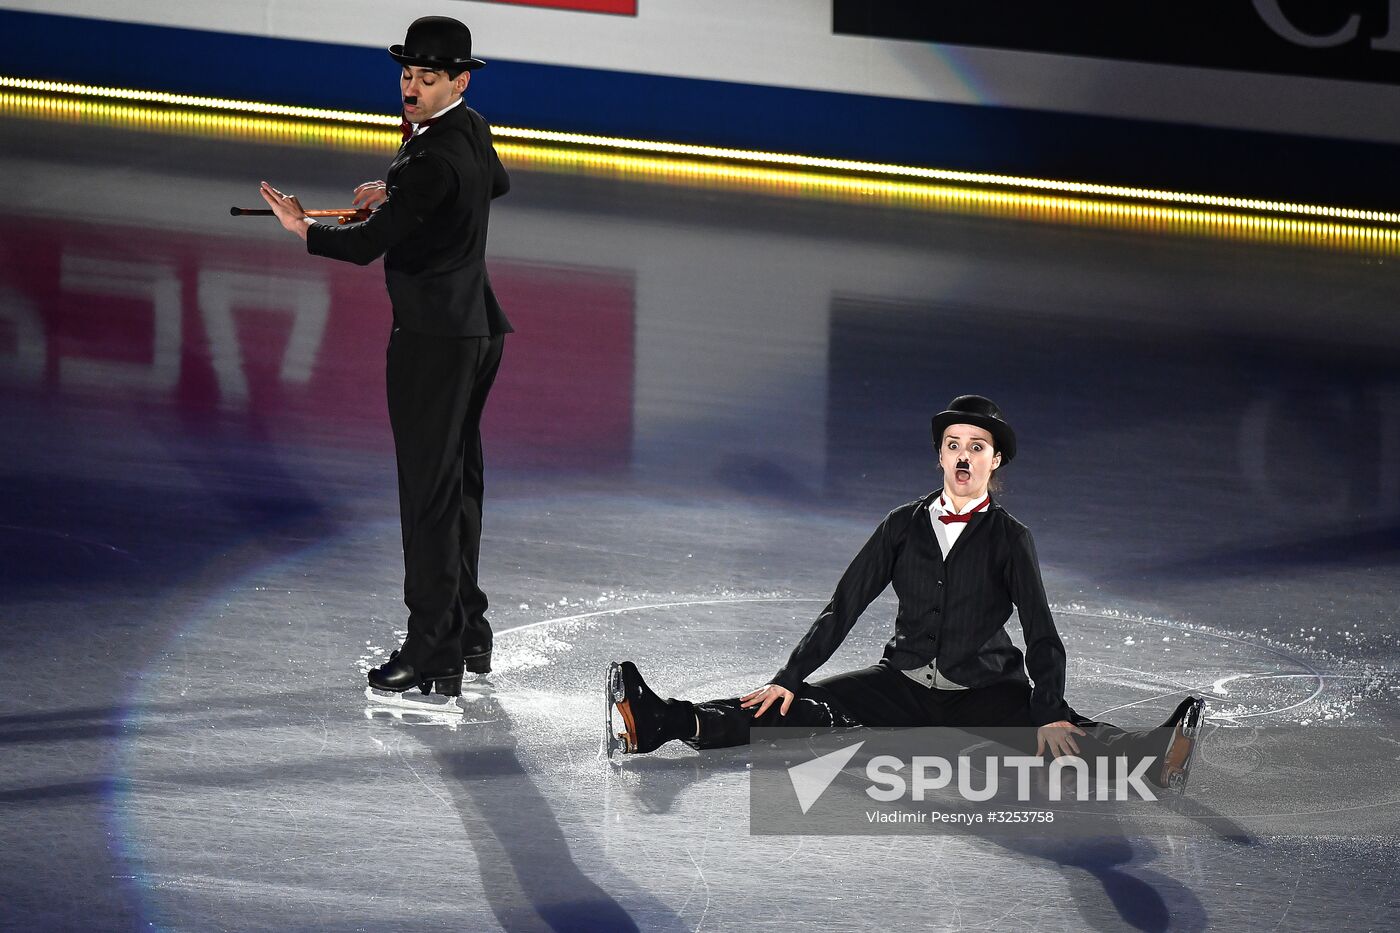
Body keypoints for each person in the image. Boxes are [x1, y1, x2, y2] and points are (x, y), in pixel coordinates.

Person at [608, 395, 1204, 789]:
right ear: (940, 454)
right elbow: (845, 605)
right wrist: (790, 674)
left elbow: (1042, 634)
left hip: (985, 690)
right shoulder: (901, 525)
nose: (963, 456)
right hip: (900, 685)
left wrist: (1046, 709)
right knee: (790, 707)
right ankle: (662, 721)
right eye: (953, 444)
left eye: (976, 447)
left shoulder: (1011, 539)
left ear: (995, 461)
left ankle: (1156, 756)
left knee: (1064, 734)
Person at [259, 16, 511, 697]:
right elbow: (492, 185)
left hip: (433, 338)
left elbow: (365, 245)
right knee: (456, 484)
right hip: (476, 328)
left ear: (458, 78)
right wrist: (397, 194)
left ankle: (433, 652)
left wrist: (304, 226)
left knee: (428, 494)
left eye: (429, 79)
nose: (413, 88)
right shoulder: (469, 127)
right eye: (407, 75)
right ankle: (469, 628)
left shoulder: (432, 154)